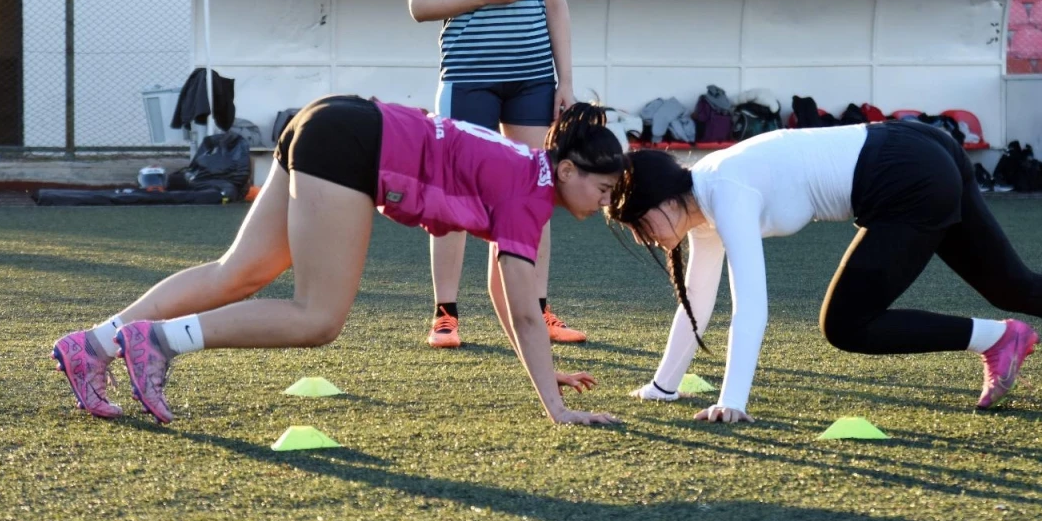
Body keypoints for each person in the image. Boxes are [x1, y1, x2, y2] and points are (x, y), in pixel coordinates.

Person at [51, 99, 624, 427]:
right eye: (602, 189)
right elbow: (527, 313)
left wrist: (546, 376)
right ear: (569, 169)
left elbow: (507, 293)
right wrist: (556, 409)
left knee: (240, 271)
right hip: (353, 146)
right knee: (318, 317)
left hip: (330, 119)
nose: (604, 204)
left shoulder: (531, 174)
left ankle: (95, 345)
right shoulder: (532, 194)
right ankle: (160, 341)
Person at [607, 119, 1042, 423]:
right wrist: (663, 387)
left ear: (661, 203)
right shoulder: (703, 203)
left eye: (640, 226)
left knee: (846, 325)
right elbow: (699, 301)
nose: (646, 238)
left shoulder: (724, 191)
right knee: (1011, 283)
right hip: (915, 149)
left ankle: (999, 338)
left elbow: (750, 306)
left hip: (905, 173)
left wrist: (734, 399)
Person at [410, 0, 584, 350]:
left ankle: (536, 306)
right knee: (457, 195)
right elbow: (420, 6)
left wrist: (566, 82)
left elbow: (555, 3)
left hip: (533, 77)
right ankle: (446, 313)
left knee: (532, 192)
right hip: (470, 77)